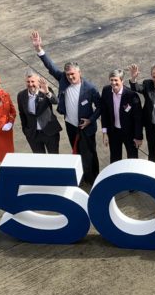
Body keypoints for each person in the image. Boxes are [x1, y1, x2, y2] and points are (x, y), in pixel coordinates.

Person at [31, 30, 102, 184]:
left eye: (72, 74)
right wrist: (39, 49)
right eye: (68, 74)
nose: (70, 77)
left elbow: (100, 107)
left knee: (90, 153)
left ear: (79, 72)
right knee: (76, 152)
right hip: (71, 124)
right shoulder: (63, 79)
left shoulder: (90, 88)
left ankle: (94, 178)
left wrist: (90, 120)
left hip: (86, 126)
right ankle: (82, 176)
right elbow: (51, 67)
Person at [100, 69, 144, 162]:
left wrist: (138, 137)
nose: (113, 83)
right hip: (114, 132)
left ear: (122, 81)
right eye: (111, 80)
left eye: (116, 80)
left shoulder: (132, 95)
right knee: (115, 159)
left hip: (130, 133)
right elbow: (104, 113)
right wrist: (105, 133)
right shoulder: (106, 91)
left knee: (132, 159)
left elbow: (138, 118)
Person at [17, 70, 61, 154]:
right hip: (33, 135)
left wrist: (47, 92)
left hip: (50, 132)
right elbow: (22, 114)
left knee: (54, 160)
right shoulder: (21, 96)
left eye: (33, 81)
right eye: (28, 82)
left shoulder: (45, 90)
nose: (30, 84)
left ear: (38, 82)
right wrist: (25, 131)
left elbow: (56, 101)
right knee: (40, 161)